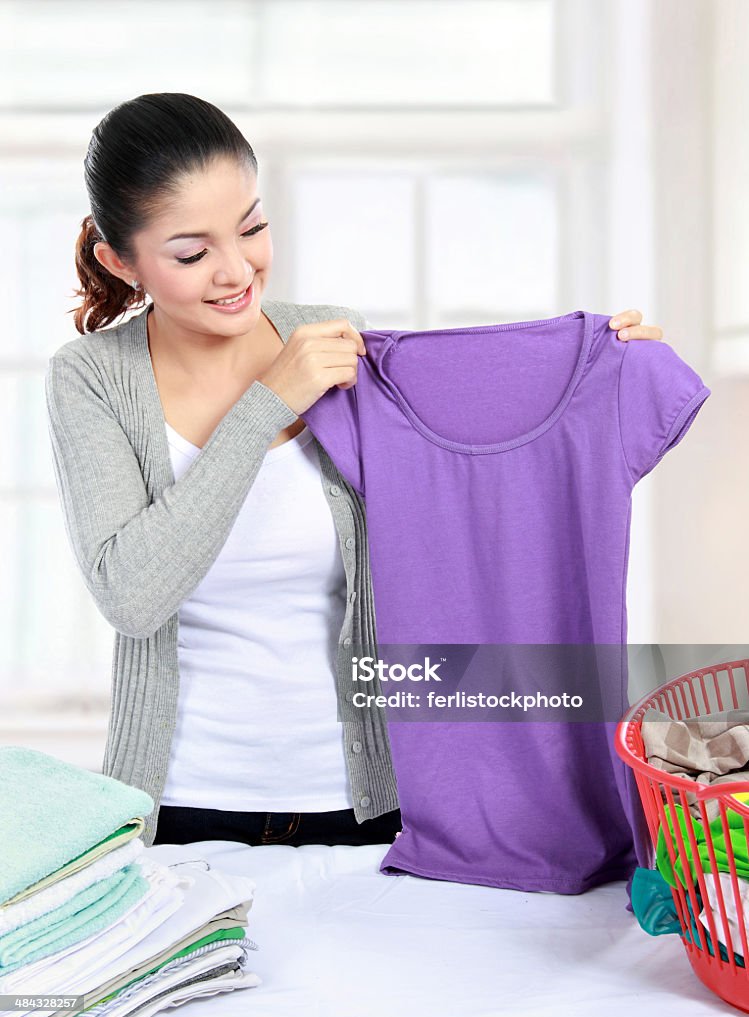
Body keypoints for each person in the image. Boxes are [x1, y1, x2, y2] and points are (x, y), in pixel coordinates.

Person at [46, 92, 665, 849]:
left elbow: (471, 439)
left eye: (251, 227)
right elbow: (132, 595)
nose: (237, 269)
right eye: (191, 252)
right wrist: (266, 405)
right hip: (183, 808)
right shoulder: (91, 379)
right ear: (121, 260)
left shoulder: (328, 334)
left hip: (370, 800)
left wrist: (601, 365)